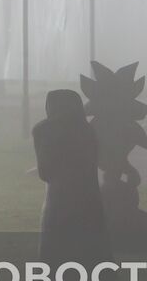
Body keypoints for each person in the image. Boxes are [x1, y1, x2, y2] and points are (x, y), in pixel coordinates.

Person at [32, 89, 111, 269]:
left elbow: (44, 173)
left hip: (57, 202)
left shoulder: (43, 130)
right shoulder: (87, 131)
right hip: (89, 202)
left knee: (56, 248)